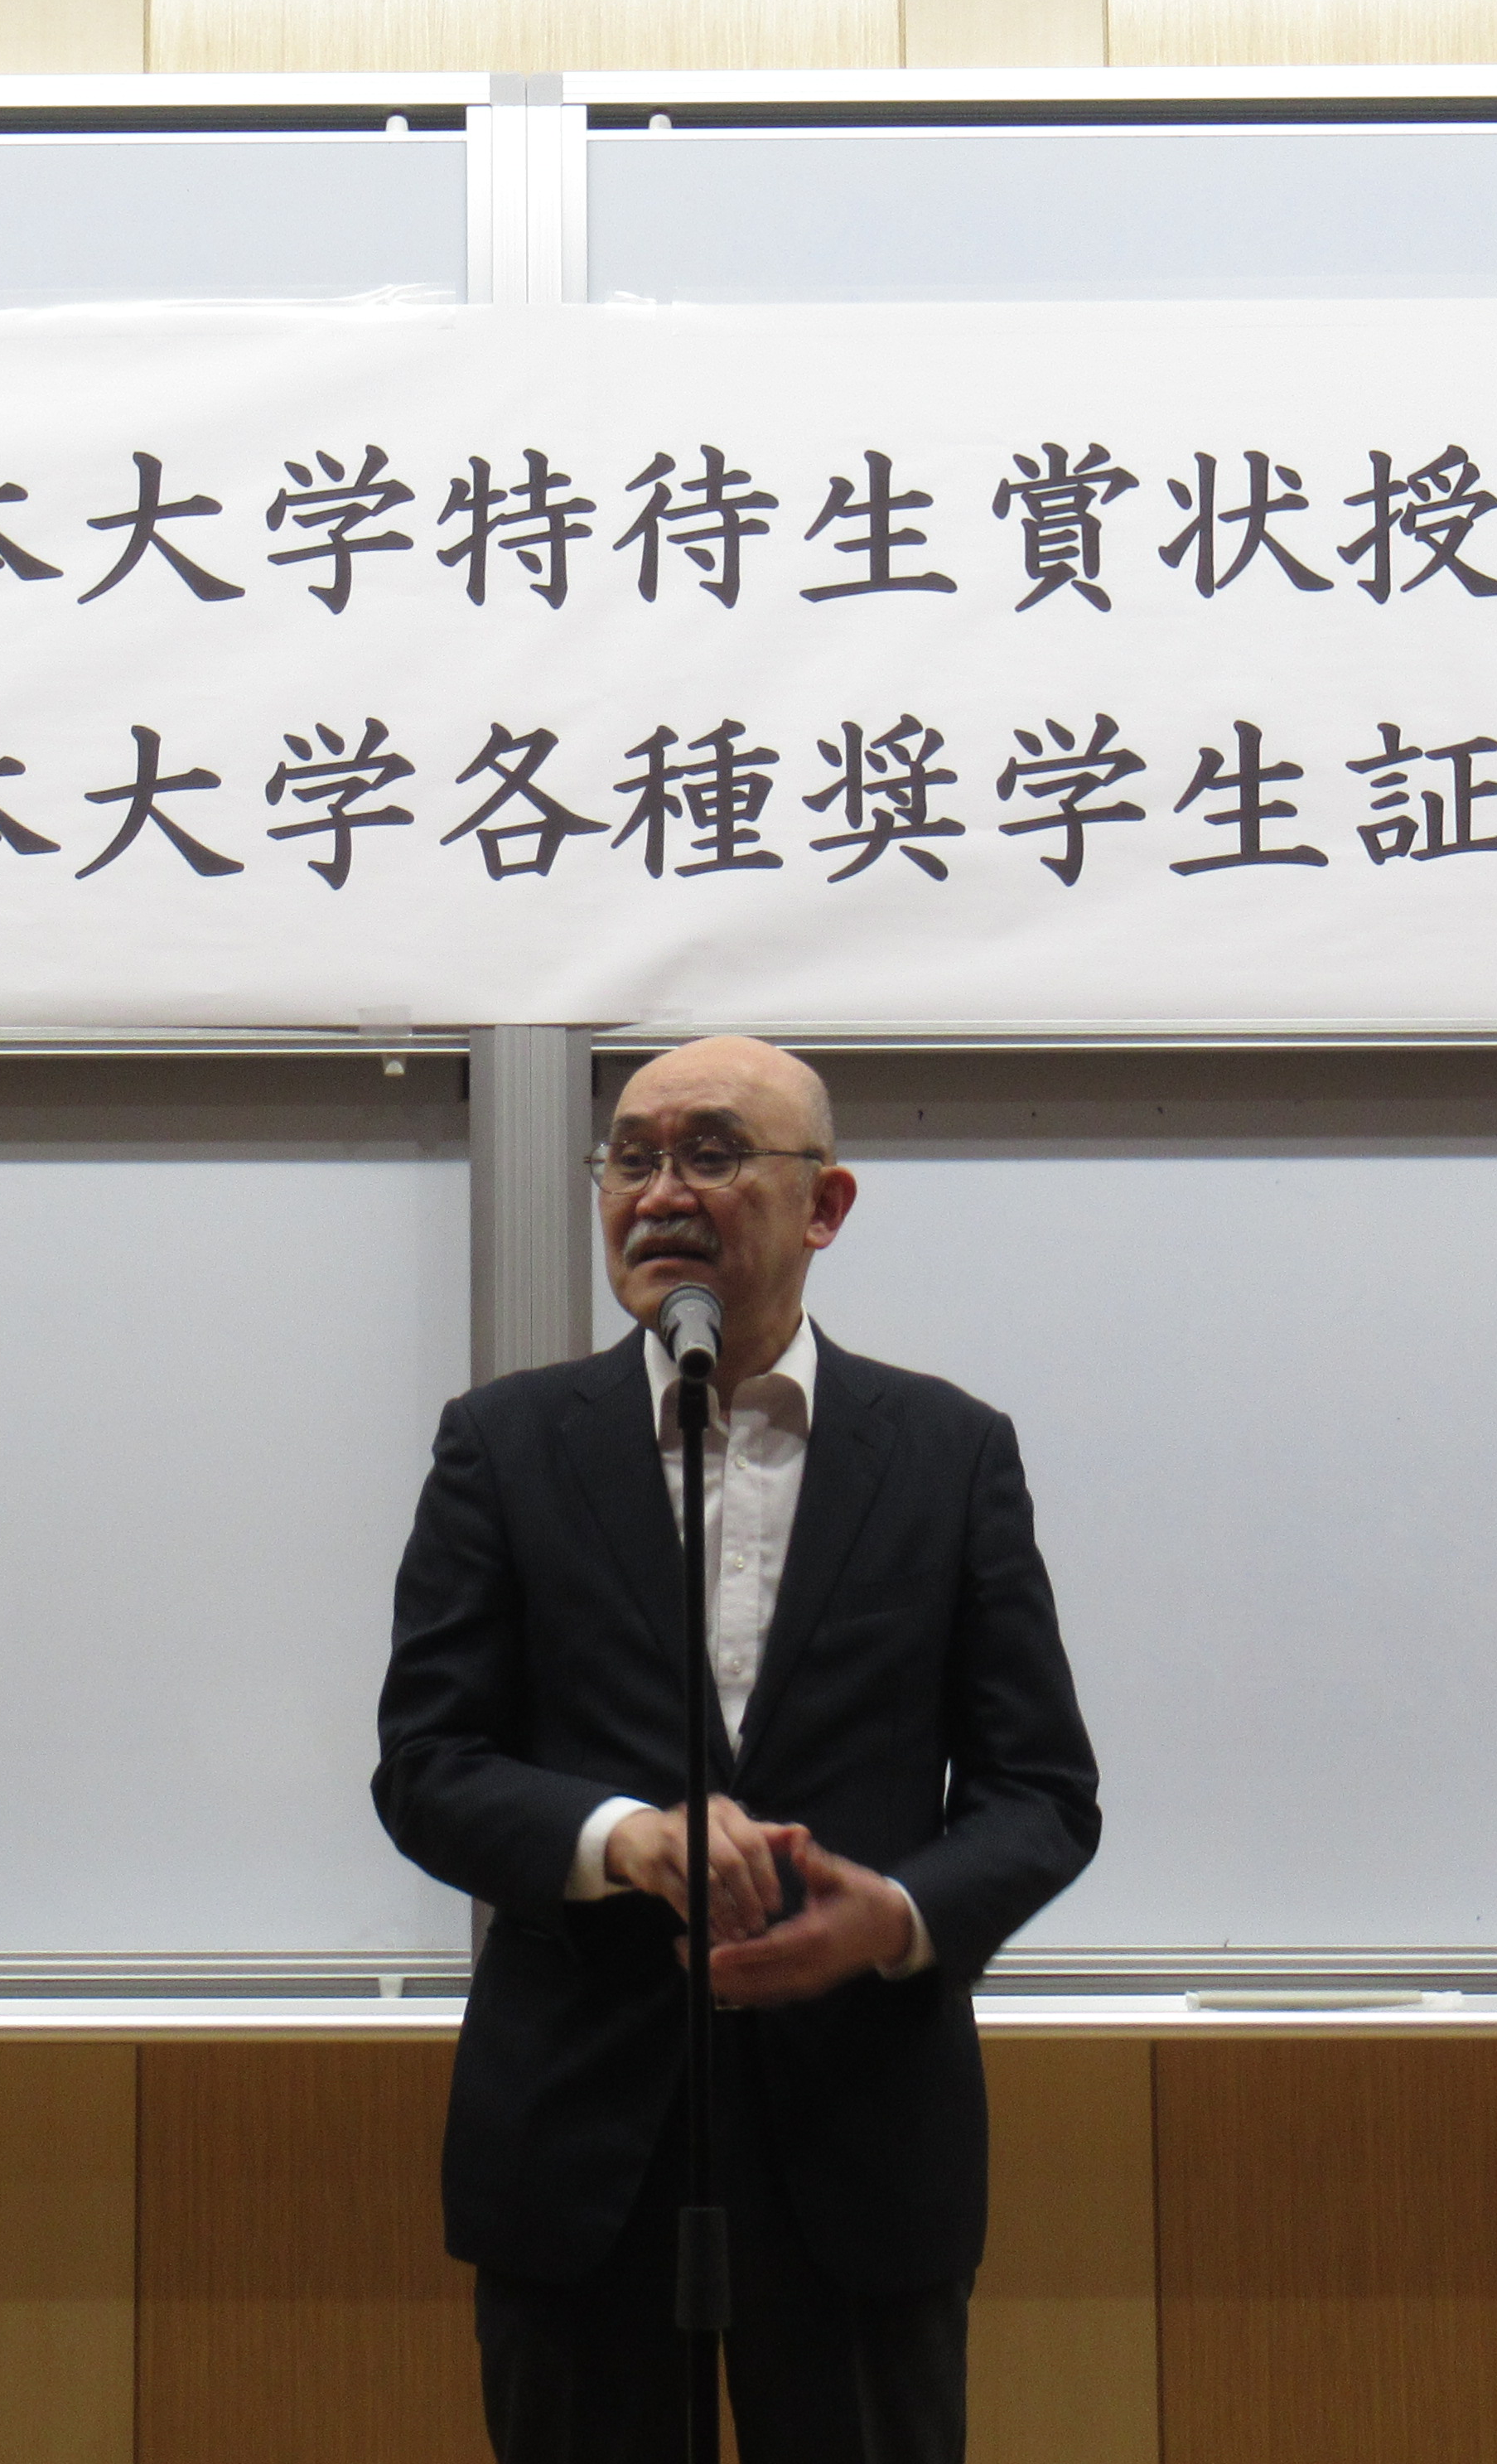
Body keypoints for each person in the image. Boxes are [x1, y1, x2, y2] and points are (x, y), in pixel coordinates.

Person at [372, 1036, 1103, 2464]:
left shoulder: (949, 1452)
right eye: (631, 1158)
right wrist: (619, 1839)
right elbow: (428, 1765)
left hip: (861, 2138)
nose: (659, 1193)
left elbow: (1041, 1796)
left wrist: (896, 1918)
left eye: (711, 1154)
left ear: (825, 1205)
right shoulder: (504, 1447)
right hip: (582, 2144)